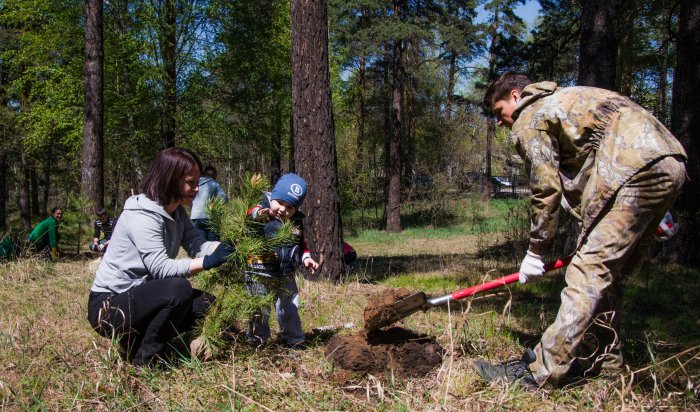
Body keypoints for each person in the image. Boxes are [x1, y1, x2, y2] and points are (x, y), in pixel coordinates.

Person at [473, 73, 687, 389]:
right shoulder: (567, 102)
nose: (501, 122)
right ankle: (605, 365)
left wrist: (536, 251)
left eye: (498, 111)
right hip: (668, 162)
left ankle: (539, 372)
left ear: (516, 96)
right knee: (607, 277)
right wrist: (651, 210)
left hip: (634, 170)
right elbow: (585, 174)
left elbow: (546, 188)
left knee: (587, 273)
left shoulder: (530, 116)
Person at [87, 147, 235, 366]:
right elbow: (161, 268)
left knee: (207, 304)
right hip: (109, 307)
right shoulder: (141, 215)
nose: (196, 189)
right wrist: (208, 262)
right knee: (178, 289)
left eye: (197, 182)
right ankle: (144, 358)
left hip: (142, 296)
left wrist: (231, 247)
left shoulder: (177, 213)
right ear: (170, 179)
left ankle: (138, 339)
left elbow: (197, 245)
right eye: (190, 182)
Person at [245, 173, 319, 349]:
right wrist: (262, 213)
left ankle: (293, 339)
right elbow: (250, 215)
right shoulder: (262, 207)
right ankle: (258, 340)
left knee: (289, 308)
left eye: (289, 208)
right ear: (273, 196)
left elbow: (300, 243)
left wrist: (306, 258)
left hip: (286, 273)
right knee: (259, 307)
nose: (282, 210)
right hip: (259, 270)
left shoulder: (295, 221)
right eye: (280, 203)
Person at [190, 165, 228, 241]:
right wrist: (216, 206)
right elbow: (224, 198)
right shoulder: (214, 183)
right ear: (214, 175)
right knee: (213, 245)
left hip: (195, 217)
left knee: (200, 245)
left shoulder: (195, 183)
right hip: (211, 216)